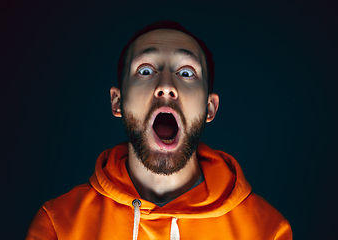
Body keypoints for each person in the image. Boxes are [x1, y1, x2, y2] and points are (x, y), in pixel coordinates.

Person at [26, 20, 292, 240]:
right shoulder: (59, 224)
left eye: (186, 73)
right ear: (118, 101)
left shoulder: (267, 230)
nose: (166, 85)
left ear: (210, 108)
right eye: (145, 70)